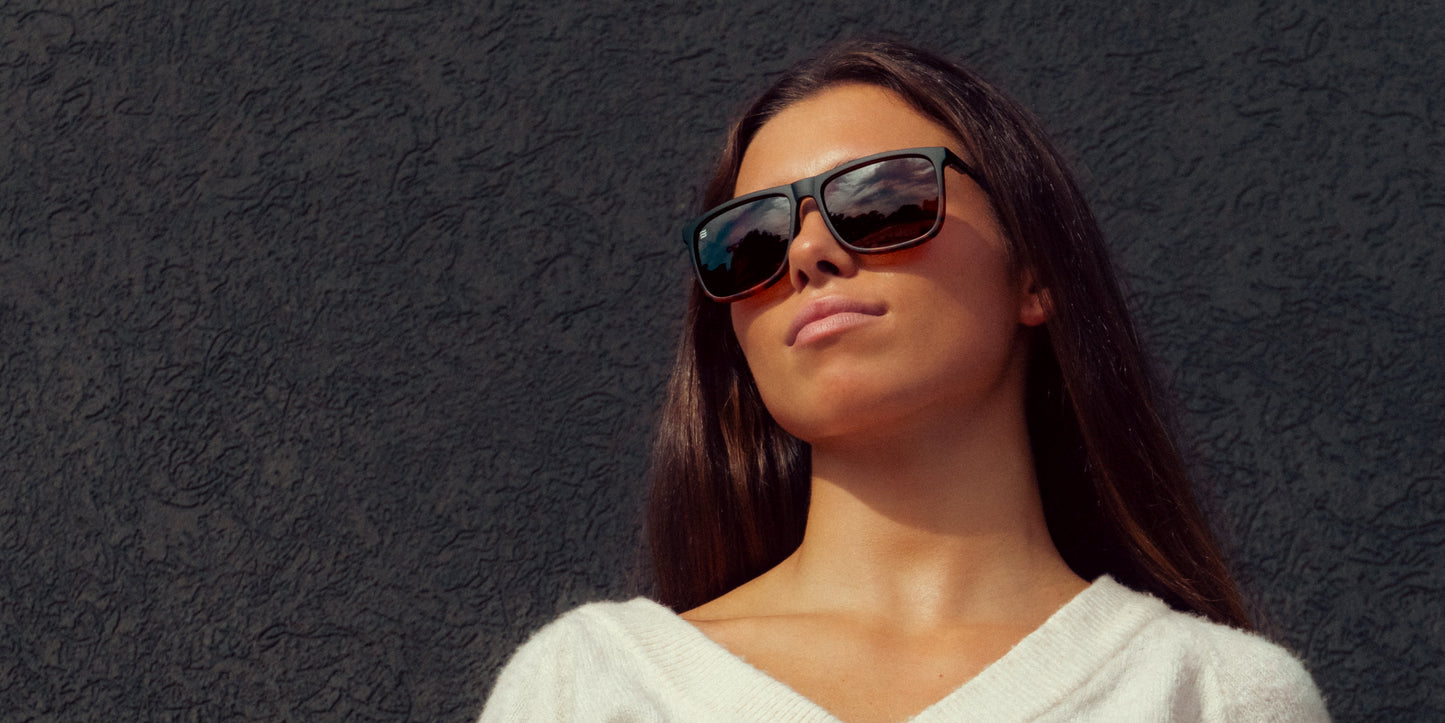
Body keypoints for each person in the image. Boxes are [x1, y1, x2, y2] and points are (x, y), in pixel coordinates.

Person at [481, 39, 1329, 722]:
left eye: (883, 201)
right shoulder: (587, 690)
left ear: (1034, 271)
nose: (808, 253)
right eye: (750, 242)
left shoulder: (1214, 696)